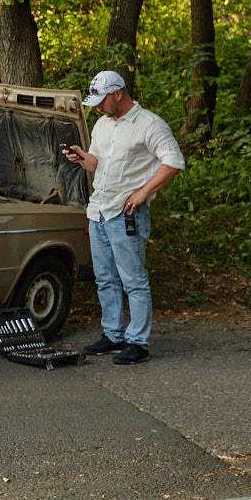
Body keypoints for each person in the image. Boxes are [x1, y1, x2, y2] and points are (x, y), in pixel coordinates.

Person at [62, 70, 185, 365]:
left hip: (126, 212)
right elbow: (96, 164)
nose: (98, 108)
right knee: (105, 278)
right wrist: (81, 157)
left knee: (133, 279)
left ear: (118, 94)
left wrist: (143, 192)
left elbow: (174, 162)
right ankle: (114, 335)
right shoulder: (103, 125)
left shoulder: (149, 124)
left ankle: (138, 342)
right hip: (99, 211)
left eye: (102, 101)